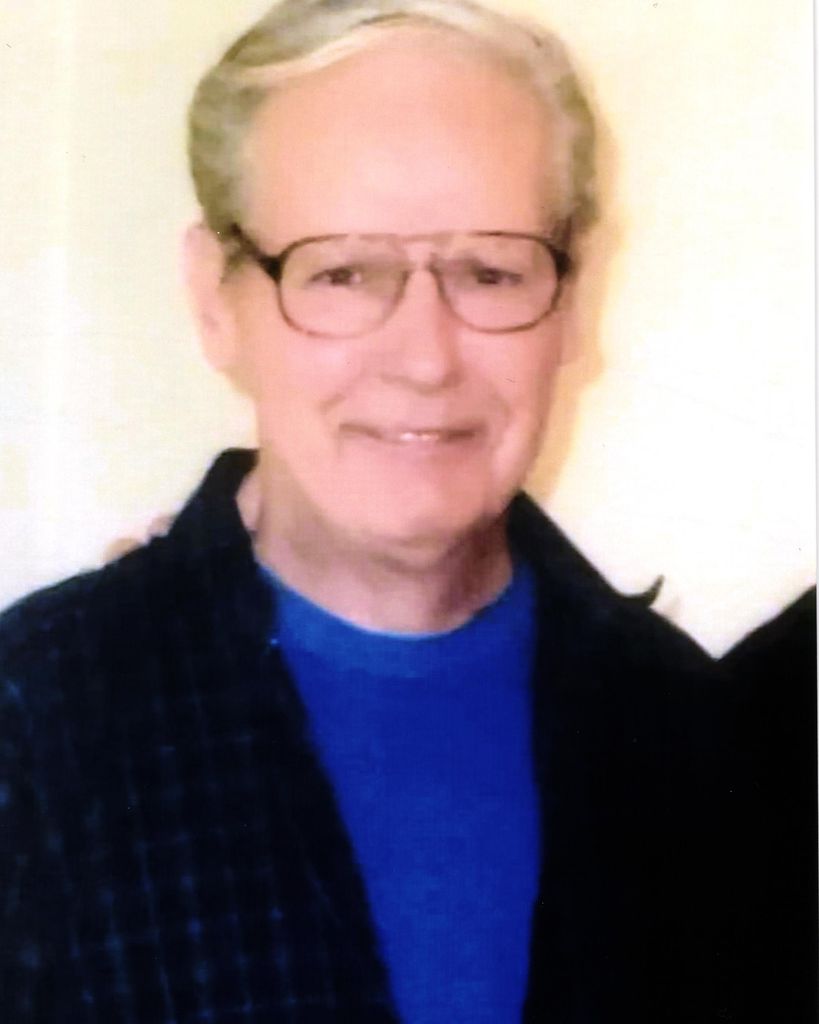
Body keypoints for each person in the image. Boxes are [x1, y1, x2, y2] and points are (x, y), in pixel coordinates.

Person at [0, 1, 752, 1020]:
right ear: (217, 300)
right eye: (344, 273)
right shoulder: (37, 724)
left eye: (491, 272)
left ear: (571, 300)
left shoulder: (697, 741)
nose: (425, 358)